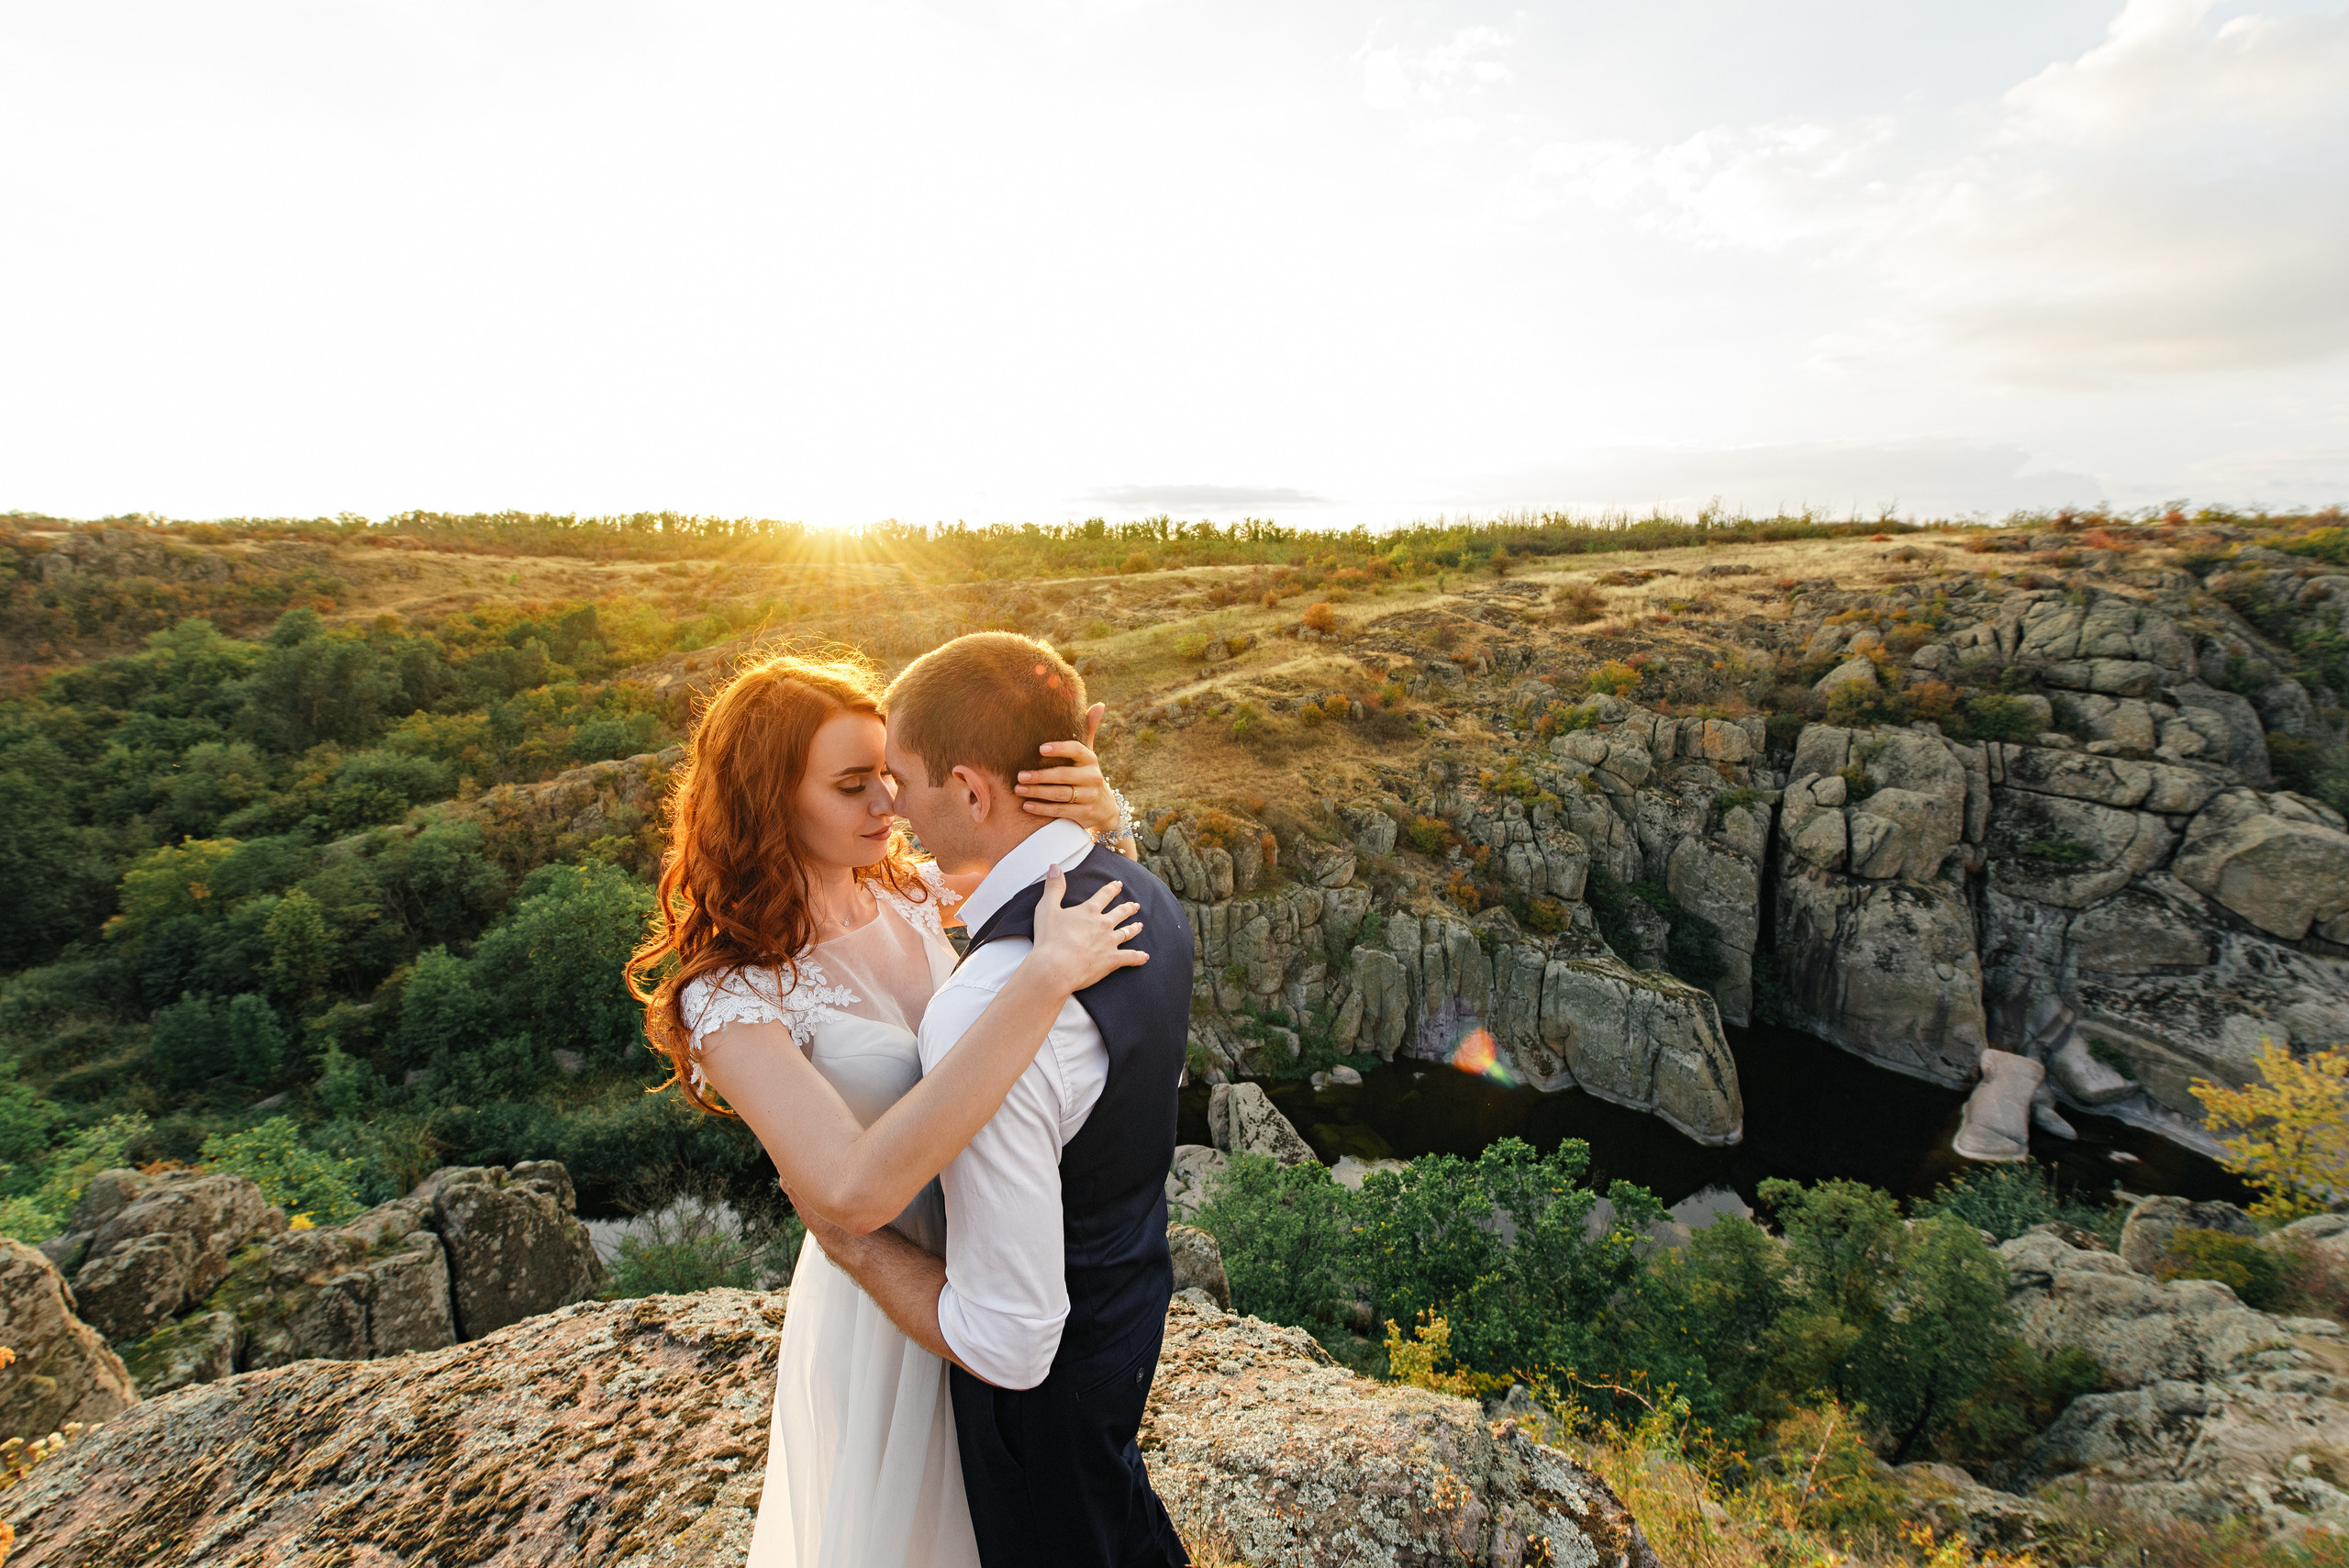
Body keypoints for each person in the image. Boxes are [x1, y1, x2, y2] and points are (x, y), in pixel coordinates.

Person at [627, 647, 1144, 1568]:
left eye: (888, 776)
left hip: (1002, 1259)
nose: (888, 805)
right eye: (852, 785)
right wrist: (1041, 978)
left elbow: (1087, 898)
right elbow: (852, 1192)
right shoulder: (734, 994)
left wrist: (1106, 816)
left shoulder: (907, 890)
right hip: (895, 1304)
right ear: (767, 800)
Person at [801, 632, 1196, 1568]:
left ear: (972, 792)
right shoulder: (1140, 890)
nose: (893, 803)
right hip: (1127, 1312)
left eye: (902, 779)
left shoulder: (989, 1005)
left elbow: (1010, 1340)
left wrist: (854, 1244)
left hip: (1042, 1412)